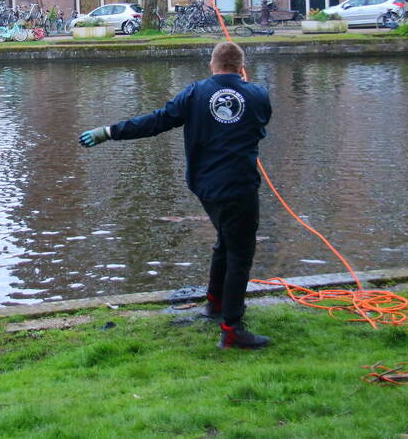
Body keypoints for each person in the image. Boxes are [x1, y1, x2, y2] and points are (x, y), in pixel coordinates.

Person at [79, 41, 272, 350]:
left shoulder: (195, 93)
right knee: (240, 254)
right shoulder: (258, 95)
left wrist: (109, 131)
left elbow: (156, 122)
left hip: (206, 188)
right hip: (239, 187)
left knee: (225, 243)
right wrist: (243, 88)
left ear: (212, 65)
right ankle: (232, 329)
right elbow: (259, 122)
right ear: (241, 67)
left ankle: (215, 304)